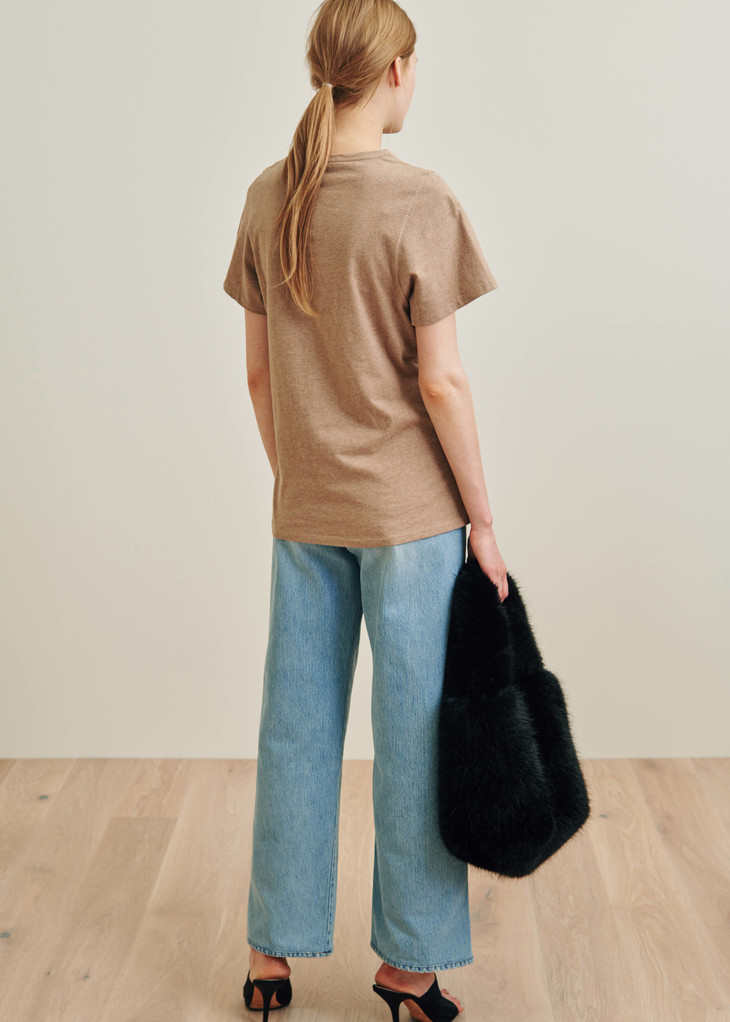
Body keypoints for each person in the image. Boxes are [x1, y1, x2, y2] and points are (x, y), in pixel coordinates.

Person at [223, 1, 508, 1018]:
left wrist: (300, 476)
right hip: (412, 519)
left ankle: (269, 956)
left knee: (295, 730)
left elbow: (259, 375)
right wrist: (482, 520)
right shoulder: (417, 198)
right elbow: (443, 382)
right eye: (413, 65)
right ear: (391, 71)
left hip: (306, 509)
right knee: (416, 737)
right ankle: (409, 967)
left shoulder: (269, 195)